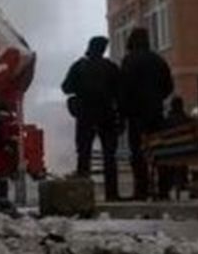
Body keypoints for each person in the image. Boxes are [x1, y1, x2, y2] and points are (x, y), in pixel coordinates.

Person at [61, 36, 121, 201]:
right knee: (110, 156)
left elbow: (66, 87)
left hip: (85, 116)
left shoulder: (79, 66)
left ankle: (83, 195)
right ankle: (112, 194)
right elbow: (120, 92)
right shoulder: (110, 67)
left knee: (84, 154)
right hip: (107, 115)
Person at [119, 27, 174, 201]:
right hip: (155, 112)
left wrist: (124, 111)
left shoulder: (129, 61)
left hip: (135, 114)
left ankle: (141, 189)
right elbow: (168, 86)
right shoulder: (158, 60)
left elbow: (124, 89)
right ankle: (163, 189)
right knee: (159, 150)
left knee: (137, 152)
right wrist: (156, 99)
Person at [157, 96, 190, 200]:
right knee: (180, 156)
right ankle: (182, 181)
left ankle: (166, 187)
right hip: (188, 153)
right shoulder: (188, 120)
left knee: (168, 159)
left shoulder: (167, 121)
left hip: (170, 154)